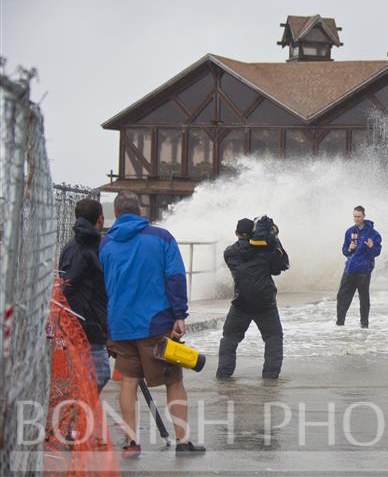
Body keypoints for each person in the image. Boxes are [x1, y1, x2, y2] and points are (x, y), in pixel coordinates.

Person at [99, 191, 205, 458]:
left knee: (128, 382)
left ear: (117, 213)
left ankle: (131, 443)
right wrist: (180, 314)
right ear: (140, 210)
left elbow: (102, 286)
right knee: (174, 381)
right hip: (155, 323)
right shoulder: (161, 238)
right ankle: (183, 441)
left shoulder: (105, 243)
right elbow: (175, 277)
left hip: (120, 325)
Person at [217, 217, 289, 380]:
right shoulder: (265, 251)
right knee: (273, 338)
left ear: (236, 233)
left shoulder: (229, 253)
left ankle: (223, 376)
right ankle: (270, 378)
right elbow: (280, 267)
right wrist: (274, 240)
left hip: (241, 303)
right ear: (253, 233)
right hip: (265, 303)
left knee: (229, 338)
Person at [58, 199, 110, 392]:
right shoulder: (92, 246)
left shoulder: (71, 246)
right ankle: (79, 415)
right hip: (89, 321)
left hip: (75, 321)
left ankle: (79, 413)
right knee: (99, 374)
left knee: (84, 375)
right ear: (101, 219)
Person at [336, 206, 382, 328]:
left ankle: (364, 325)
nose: (356, 219)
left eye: (359, 216)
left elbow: (377, 252)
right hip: (350, 269)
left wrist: (372, 246)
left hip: (364, 271)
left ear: (364, 216)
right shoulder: (350, 231)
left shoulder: (373, 233)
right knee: (342, 297)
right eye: (354, 216)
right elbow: (344, 251)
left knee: (364, 300)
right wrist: (348, 249)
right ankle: (339, 324)